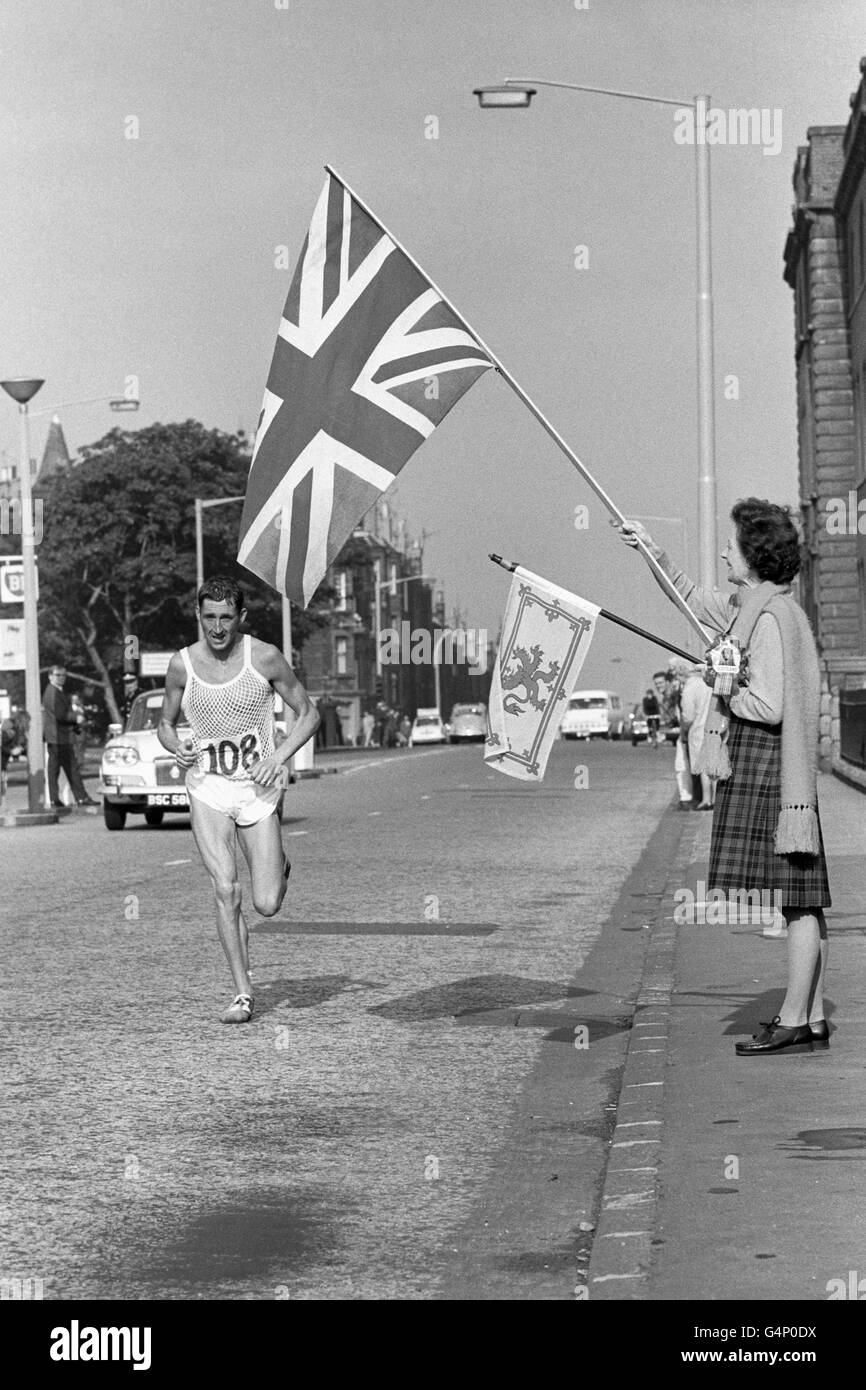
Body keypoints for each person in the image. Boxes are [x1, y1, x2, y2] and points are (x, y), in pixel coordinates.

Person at [616, 501, 831, 1057]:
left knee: (799, 901)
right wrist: (649, 549)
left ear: (754, 558)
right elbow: (688, 594)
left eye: (730, 547)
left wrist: (722, 680)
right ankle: (807, 1018)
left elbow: (769, 705)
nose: (721, 553)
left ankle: (794, 1019)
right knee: (799, 899)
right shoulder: (751, 607)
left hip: (770, 766)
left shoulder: (767, 620)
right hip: (774, 767)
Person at [158, 575, 319, 1024]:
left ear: (241, 618)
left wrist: (280, 757)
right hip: (208, 787)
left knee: (266, 902)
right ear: (197, 615)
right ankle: (243, 993)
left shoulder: (263, 657)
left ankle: (279, 870)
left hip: (257, 789)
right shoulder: (181, 665)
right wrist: (176, 745)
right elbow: (165, 723)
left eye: (226, 617)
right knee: (226, 889)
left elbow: (308, 713)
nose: (217, 627)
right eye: (208, 616)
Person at [42, 666, 97, 808]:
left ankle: (58, 799)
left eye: (64, 675)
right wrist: (76, 717)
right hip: (59, 738)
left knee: (58, 769)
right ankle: (80, 798)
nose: (61, 677)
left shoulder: (56, 691)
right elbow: (60, 715)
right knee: (70, 769)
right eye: (58, 675)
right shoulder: (52, 692)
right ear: (50, 676)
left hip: (58, 737)